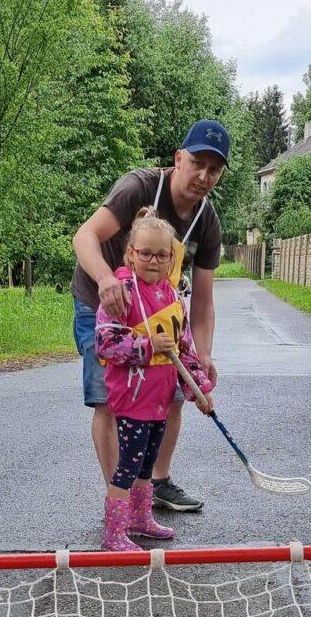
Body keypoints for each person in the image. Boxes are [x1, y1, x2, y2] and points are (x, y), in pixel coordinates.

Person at [72, 119, 228, 514]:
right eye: (197, 163)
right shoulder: (139, 187)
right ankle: (119, 505)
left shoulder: (207, 221)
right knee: (110, 400)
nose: (203, 176)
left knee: (172, 392)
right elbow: (84, 237)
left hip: (160, 312)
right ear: (179, 159)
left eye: (214, 169)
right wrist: (107, 280)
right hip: (106, 304)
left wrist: (203, 354)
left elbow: (204, 298)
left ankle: (156, 485)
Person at [94, 209, 215, 552]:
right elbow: (106, 342)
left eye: (162, 255)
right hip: (132, 398)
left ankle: (140, 519)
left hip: (160, 398)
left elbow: (185, 350)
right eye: (145, 252)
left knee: (148, 461)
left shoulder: (173, 297)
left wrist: (200, 389)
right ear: (131, 253)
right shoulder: (122, 294)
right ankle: (115, 532)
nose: (153, 260)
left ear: (172, 258)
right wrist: (147, 347)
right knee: (128, 465)